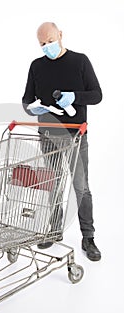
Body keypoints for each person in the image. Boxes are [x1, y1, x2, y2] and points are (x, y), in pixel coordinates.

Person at [22, 22, 102, 261]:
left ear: (60, 35)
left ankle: (88, 237)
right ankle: (54, 230)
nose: (47, 46)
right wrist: (32, 108)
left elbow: (97, 95)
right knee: (54, 185)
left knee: (81, 188)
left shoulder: (80, 61)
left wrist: (75, 97)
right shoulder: (36, 66)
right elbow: (27, 100)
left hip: (75, 136)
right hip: (47, 136)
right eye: (42, 44)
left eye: (50, 40)